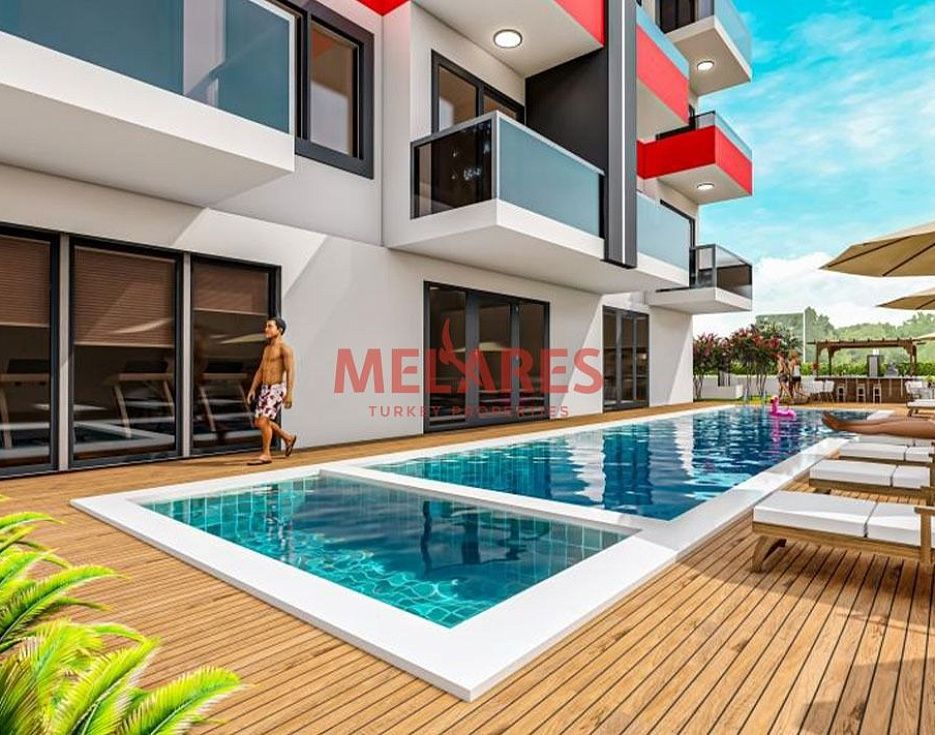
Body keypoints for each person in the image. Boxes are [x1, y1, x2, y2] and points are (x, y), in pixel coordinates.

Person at [246, 317, 297, 465]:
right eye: (266, 326)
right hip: (265, 389)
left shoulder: (285, 349)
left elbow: (290, 371)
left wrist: (289, 394)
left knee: (263, 421)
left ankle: (266, 454)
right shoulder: (267, 349)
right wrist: (252, 389)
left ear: (279, 330)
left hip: (276, 389)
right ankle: (288, 438)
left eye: (270, 326)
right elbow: (260, 370)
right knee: (259, 422)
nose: (266, 329)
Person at [822, 412, 935, 440]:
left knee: (884, 427)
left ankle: (841, 427)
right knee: (884, 420)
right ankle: (843, 422)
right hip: (931, 422)